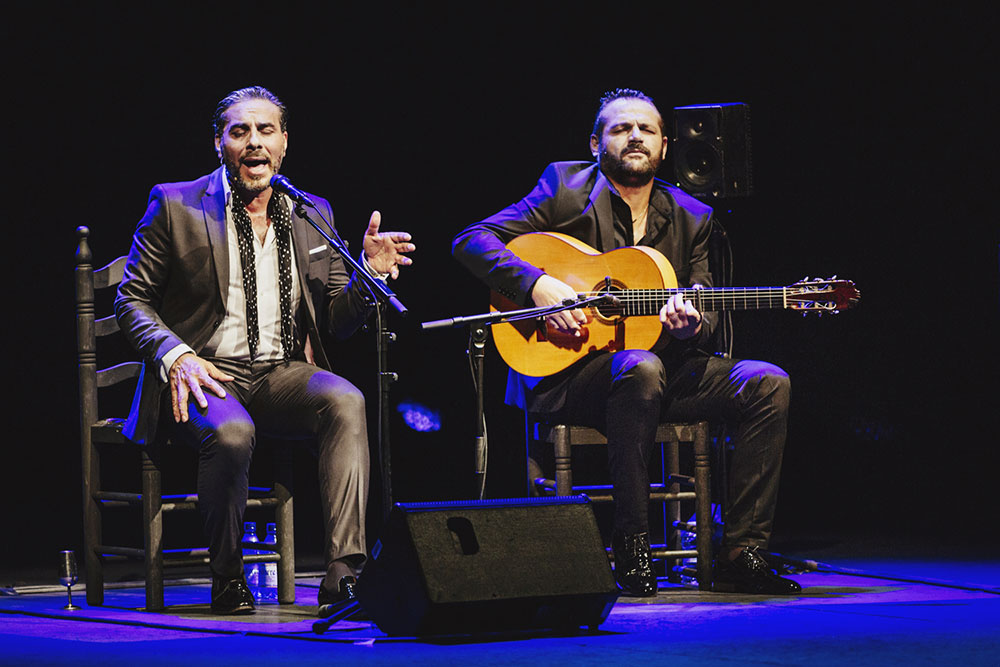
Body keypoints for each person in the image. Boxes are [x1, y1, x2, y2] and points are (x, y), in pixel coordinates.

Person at [452, 88, 799, 596]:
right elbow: (471, 240)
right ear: (595, 143)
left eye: (647, 130)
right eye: (620, 128)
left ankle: (740, 551)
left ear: (663, 148)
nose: (635, 136)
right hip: (569, 375)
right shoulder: (562, 187)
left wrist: (691, 324)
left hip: (664, 372)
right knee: (639, 367)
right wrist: (536, 284)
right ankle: (632, 545)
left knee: (767, 382)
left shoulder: (693, 216)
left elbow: (700, 300)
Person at [115, 86, 415, 614]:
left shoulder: (310, 211)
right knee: (233, 431)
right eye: (239, 131)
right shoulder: (176, 204)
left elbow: (337, 323)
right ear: (219, 143)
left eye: (266, 130)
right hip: (205, 373)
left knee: (346, 400)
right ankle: (228, 576)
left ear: (283, 144)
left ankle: (346, 576)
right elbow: (132, 300)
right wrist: (177, 355)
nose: (254, 142)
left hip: (280, 373)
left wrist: (368, 278)